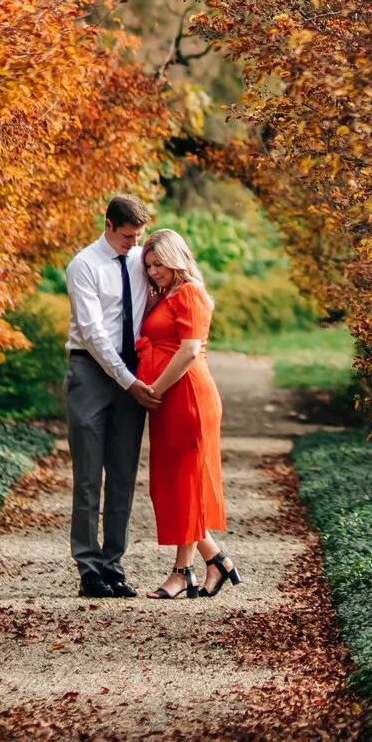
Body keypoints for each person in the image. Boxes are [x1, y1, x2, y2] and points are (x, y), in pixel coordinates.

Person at [133, 226, 237, 599]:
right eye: (148, 266)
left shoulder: (189, 293)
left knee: (184, 483)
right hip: (168, 400)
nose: (153, 271)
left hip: (187, 397)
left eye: (159, 263)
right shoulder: (166, 295)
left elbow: (190, 350)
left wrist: (153, 389)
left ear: (177, 259)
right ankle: (214, 561)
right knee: (173, 485)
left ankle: (183, 573)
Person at [63, 194, 155, 598]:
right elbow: (93, 331)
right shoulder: (83, 265)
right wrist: (124, 378)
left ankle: (114, 563)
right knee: (88, 474)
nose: (133, 244)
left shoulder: (141, 259)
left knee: (122, 473)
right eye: (127, 236)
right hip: (91, 370)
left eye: (138, 236)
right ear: (108, 225)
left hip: (132, 372)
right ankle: (88, 567)